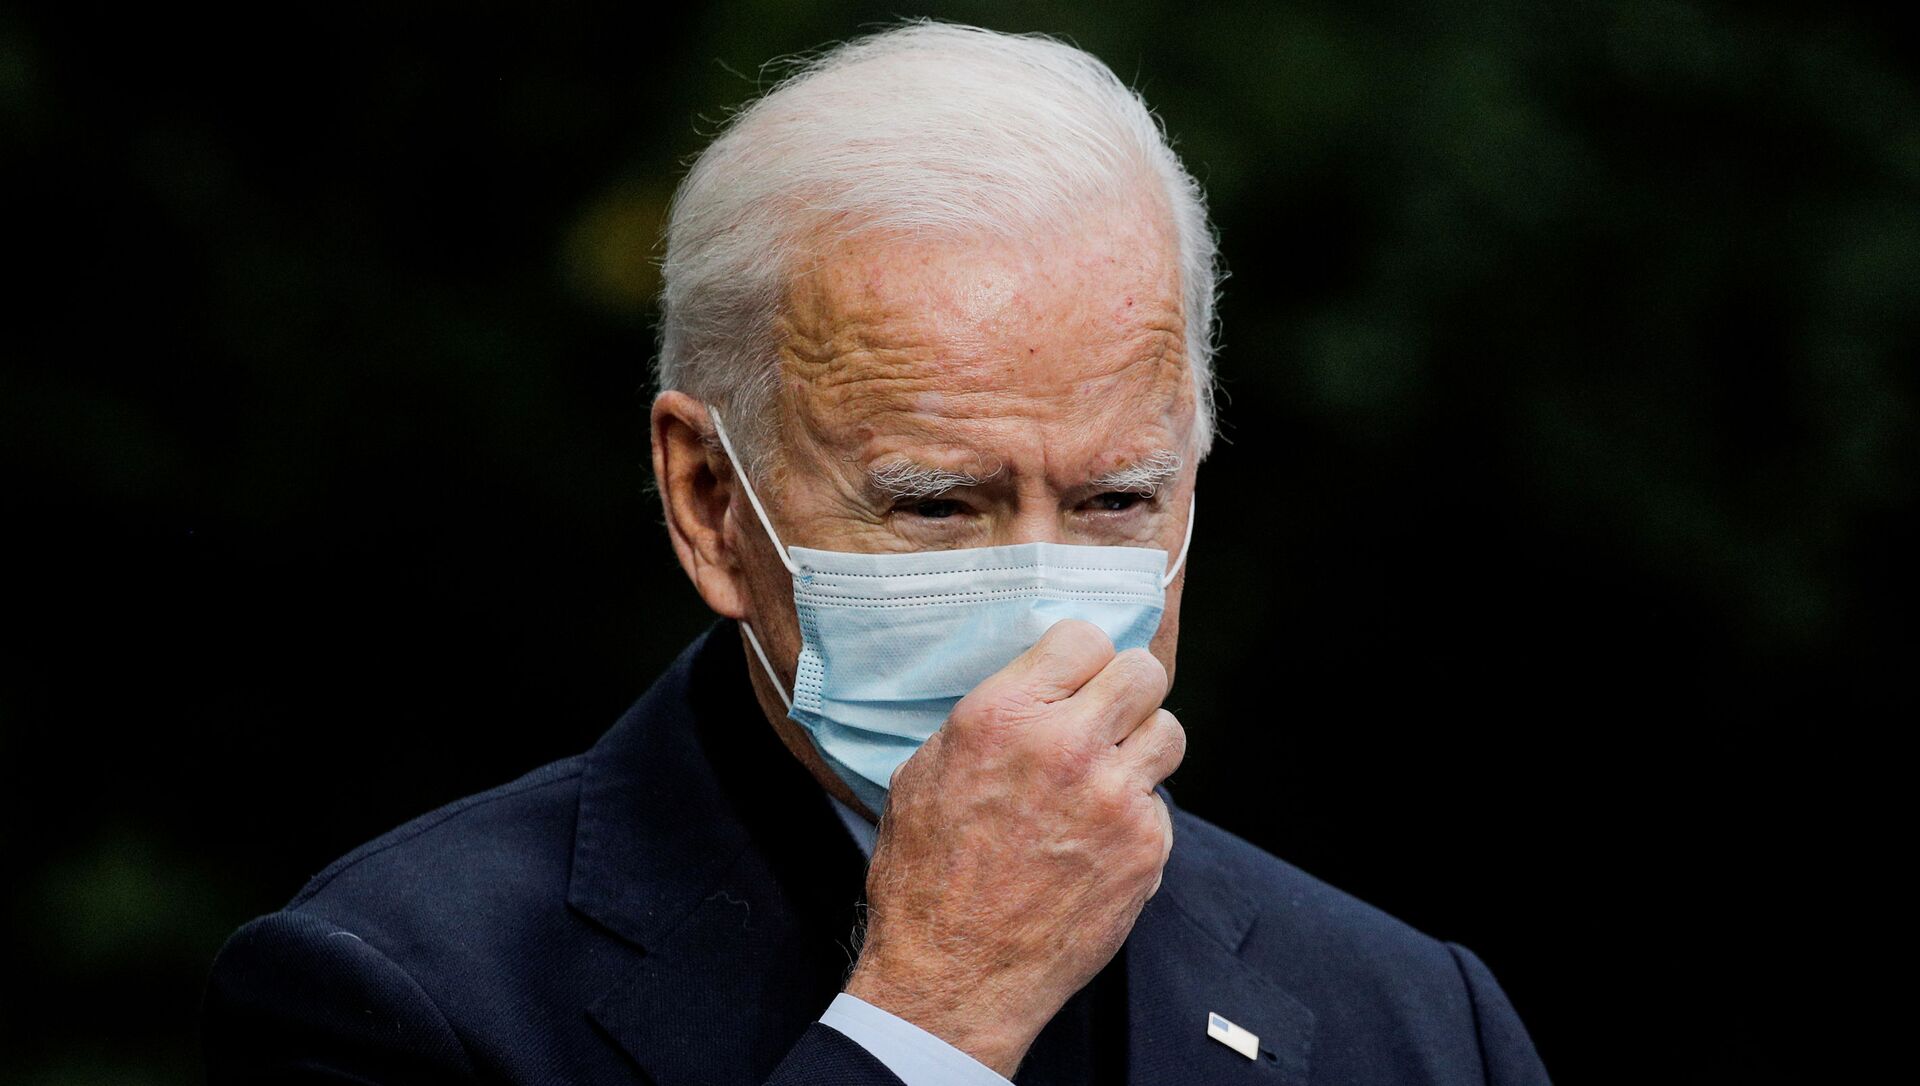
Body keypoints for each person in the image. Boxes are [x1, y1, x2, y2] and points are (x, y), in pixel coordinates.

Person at [204, 21, 1550, 1085]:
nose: (1045, 611)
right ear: (709, 501)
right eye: (937, 507)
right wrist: (930, 1019)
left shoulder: (1416, 1020)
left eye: (1115, 500)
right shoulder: (400, 996)